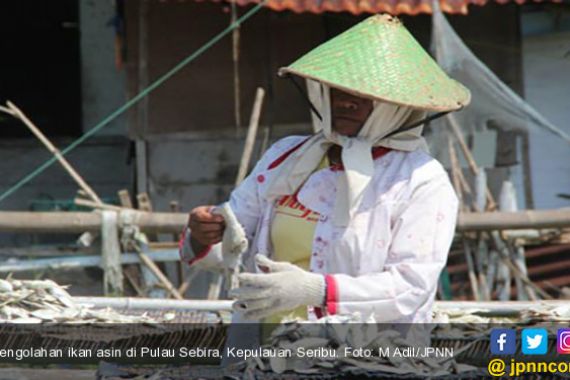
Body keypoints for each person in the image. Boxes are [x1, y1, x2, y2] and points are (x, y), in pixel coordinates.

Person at [179, 14, 470, 324]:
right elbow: (233, 243)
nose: (345, 102)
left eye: (365, 95)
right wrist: (204, 234)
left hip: (364, 358)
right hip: (263, 353)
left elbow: (411, 288)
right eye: (337, 89)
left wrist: (314, 290)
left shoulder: (421, 180)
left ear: (396, 107)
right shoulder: (286, 157)